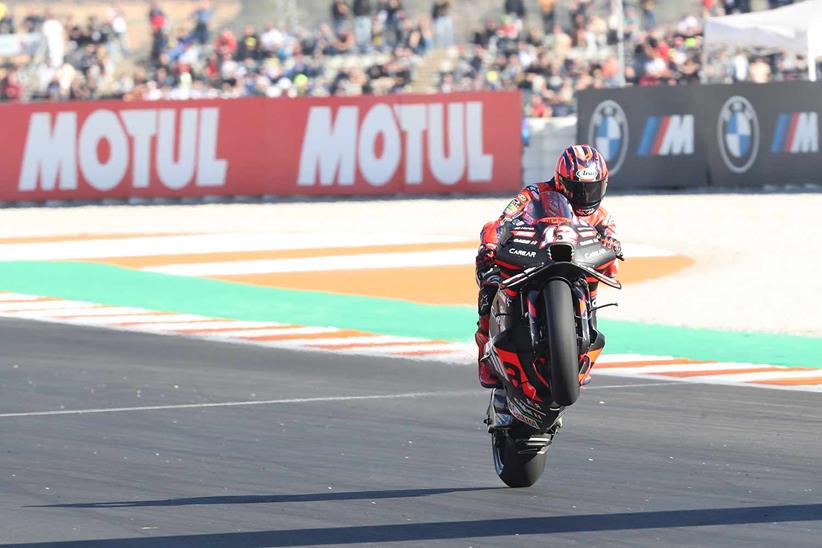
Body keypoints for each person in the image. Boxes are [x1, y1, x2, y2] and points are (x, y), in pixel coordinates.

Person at [474, 144, 621, 389]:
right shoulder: (533, 193)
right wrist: (490, 244)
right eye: (578, 189)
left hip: (577, 265)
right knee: (490, 284)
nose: (585, 196)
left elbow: (612, 240)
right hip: (535, 256)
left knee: (608, 269)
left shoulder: (602, 216)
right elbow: (504, 220)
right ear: (561, 181)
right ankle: (485, 356)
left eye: (592, 189)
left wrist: (611, 244)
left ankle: (585, 336)